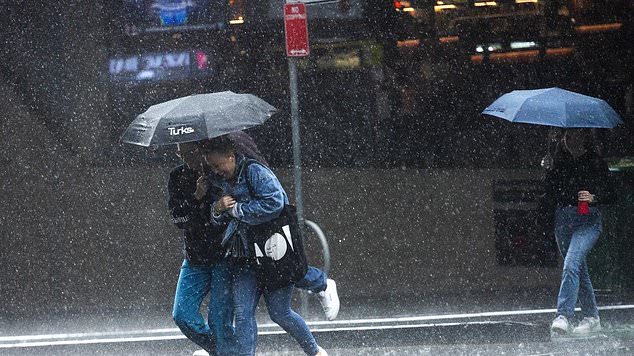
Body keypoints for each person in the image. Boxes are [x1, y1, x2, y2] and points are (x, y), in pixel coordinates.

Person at [201, 136, 328, 356]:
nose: (215, 170)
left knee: (280, 313)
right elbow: (219, 221)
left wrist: (238, 210)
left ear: (231, 157)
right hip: (244, 254)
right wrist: (217, 209)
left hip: (271, 251)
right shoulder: (219, 182)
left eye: (217, 165)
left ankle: (315, 351)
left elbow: (275, 203)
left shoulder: (255, 172)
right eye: (211, 166)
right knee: (242, 313)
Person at [226, 131, 340, 321]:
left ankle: (321, 283)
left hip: (265, 225)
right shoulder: (223, 152)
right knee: (275, 271)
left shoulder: (245, 159)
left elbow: (274, 200)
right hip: (249, 228)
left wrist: (238, 208)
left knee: (284, 267)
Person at [168, 142, 236, 355]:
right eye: (182, 154)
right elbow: (179, 218)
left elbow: (230, 210)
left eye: (191, 153)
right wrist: (196, 196)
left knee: (219, 320)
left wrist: (214, 201)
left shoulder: (219, 171)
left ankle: (226, 349)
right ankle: (223, 351)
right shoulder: (178, 177)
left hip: (224, 254)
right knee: (182, 315)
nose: (187, 159)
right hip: (195, 256)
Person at [545, 129, 615, 335]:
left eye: (575, 134)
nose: (569, 139)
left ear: (584, 137)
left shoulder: (595, 161)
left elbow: (611, 193)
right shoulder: (558, 160)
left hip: (587, 220)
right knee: (578, 269)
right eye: (567, 135)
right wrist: (548, 169)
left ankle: (563, 315)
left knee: (571, 264)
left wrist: (593, 197)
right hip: (563, 220)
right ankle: (592, 316)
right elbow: (551, 192)